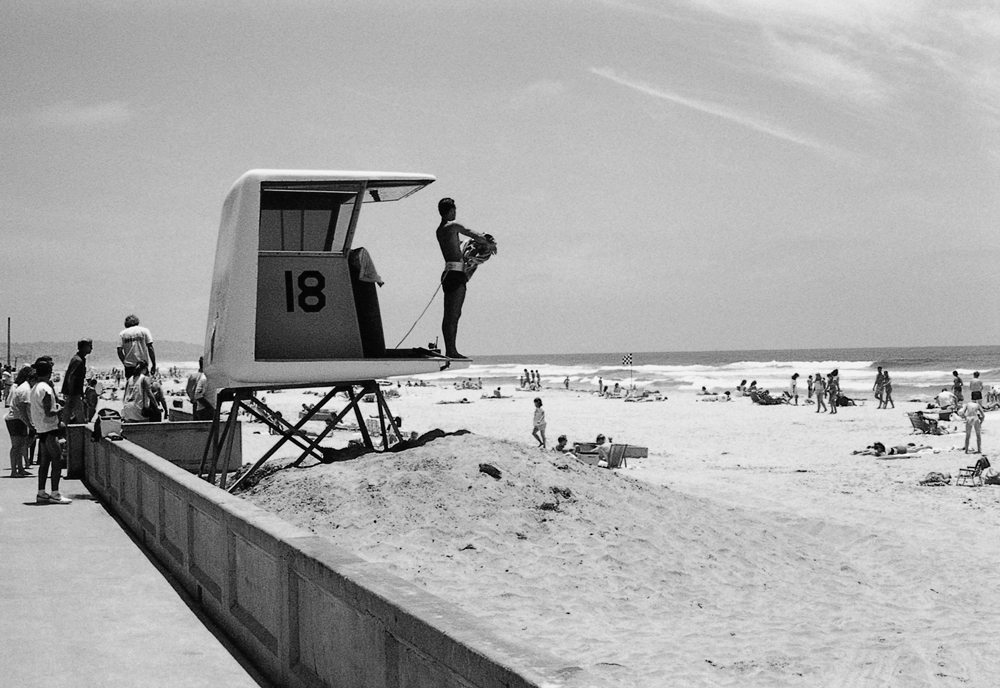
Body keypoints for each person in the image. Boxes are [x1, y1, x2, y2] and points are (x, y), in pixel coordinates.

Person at [435, 197, 494, 359]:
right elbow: (477, 236)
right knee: (453, 314)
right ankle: (451, 351)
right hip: (455, 274)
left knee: (451, 314)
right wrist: (489, 242)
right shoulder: (453, 226)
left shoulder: (440, 229)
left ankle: (451, 349)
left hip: (450, 273)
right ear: (451, 210)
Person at [29, 360, 70, 504]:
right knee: (57, 461)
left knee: (45, 462)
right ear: (49, 372)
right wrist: (60, 409)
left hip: (41, 430)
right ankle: (55, 493)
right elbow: (49, 411)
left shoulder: (34, 388)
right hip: (49, 429)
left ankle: (41, 492)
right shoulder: (45, 388)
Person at [5, 365, 34, 477]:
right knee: (16, 446)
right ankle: (14, 470)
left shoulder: (24, 387)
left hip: (18, 419)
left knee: (21, 444)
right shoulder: (25, 390)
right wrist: (29, 424)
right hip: (16, 419)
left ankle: (20, 468)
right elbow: (23, 409)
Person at [61, 338, 93, 424]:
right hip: (73, 394)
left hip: (74, 393)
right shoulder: (78, 361)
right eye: (89, 346)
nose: (91, 348)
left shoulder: (79, 359)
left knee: (68, 416)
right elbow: (71, 378)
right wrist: (71, 396)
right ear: (84, 347)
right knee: (79, 418)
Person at [117, 314, 156, 379]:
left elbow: (119, 350)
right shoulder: (144, 330)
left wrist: (124, 362)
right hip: (142, 364)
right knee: (144, 385)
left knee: (130, 385)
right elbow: (150, 347)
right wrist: (154, 364)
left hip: (129, 365)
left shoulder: (123, 334)